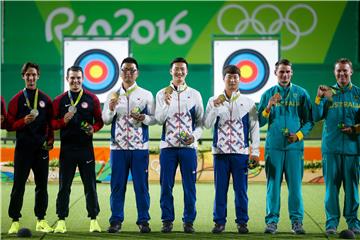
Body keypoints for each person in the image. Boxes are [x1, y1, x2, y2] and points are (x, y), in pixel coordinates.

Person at [258, 59, 314, 234]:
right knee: (273, 186)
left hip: (294, 149)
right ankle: (272, 222)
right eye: (281, 72)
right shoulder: (268, 94)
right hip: (273, 148)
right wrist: (268, 107)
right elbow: (259, 121)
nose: (285, 75)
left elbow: (309, 121)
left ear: (292, 73)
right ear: (275, 73)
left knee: (295, 187)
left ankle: (297, 222)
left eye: (288, 72)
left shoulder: (301, 93)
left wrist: (297, 136)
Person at [204, 65, 260, 234]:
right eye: (229, 77)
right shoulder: (213, 100)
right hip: (220, 154)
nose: (233, 80)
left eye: (236, 77)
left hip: (240, 154)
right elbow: (207, 124)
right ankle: (219, 222)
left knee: (241, 191)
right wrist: (214, 106)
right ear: (224, 79)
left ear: (240, 80)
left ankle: (242, 222)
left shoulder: (248, 102)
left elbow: (254, 128)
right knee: (220, 190)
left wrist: (255, 152)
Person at [102, 57, 156, 233]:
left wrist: (144, 118)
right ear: (120, 72)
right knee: (117, 186)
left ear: (137, 73)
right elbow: (105, 120)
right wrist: (110, 108)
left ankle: (143, 221)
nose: (128, 73)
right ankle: (116, 221)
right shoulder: (113, 94)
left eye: (132, 70)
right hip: (117, 149)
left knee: (141, 186)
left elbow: (155, 119)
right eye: (125, 70)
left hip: (139, 148)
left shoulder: (146, 94)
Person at [51, 66, 104, 233]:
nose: (75, 81)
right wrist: (62, 122)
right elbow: (51, 123)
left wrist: (93, 129)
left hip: (86, 149)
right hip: (67, 149)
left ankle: (94, 219)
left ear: (83, 79)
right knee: (64, 186)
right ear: (67, 79)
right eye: (72, 78)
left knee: (90, 186)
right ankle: (61, 220)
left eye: (78, 78)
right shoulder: (59, 100)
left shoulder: (92, 98)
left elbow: (100, 121)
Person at [155, 57, 204, 233]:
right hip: (167, 147)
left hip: (188, 149)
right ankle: (167, 220)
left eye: (182, 69)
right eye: (176, 69)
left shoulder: (195, 94)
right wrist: (166, 104)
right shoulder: (161, 94)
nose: (179, 72)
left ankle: (188, 221)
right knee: (166, 185)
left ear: (187, 72)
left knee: (189, 186)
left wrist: (194, 137)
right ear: (171, 71)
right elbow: (158, 119)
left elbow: (201, 124)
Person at [313, 58, 360, 235]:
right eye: (338, 71)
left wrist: (355, 129)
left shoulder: (358, 94)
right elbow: (316, 116)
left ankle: (353, 223)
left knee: (352, 190)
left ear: (351, 72)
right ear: (334, 73)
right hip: (331, 149)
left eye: (345, 71)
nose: (342, 74)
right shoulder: (327, 93)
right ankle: (331, 223)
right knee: (331, 189)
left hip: (353, 150)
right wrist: (318, 97)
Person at [7, 62, 54, 234]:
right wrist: (23, 122)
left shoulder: (45, 99)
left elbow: (50, 124)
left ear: (38, 76)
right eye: (28, 75)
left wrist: (50, 141)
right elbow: (10, 125)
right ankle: (14, 221)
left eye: (34, 74)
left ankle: (41, 219)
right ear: (23, 76)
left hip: (41, 150)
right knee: (18, 185)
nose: (31, 78)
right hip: (23, 150)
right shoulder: (16, 100)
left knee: (42, 186)